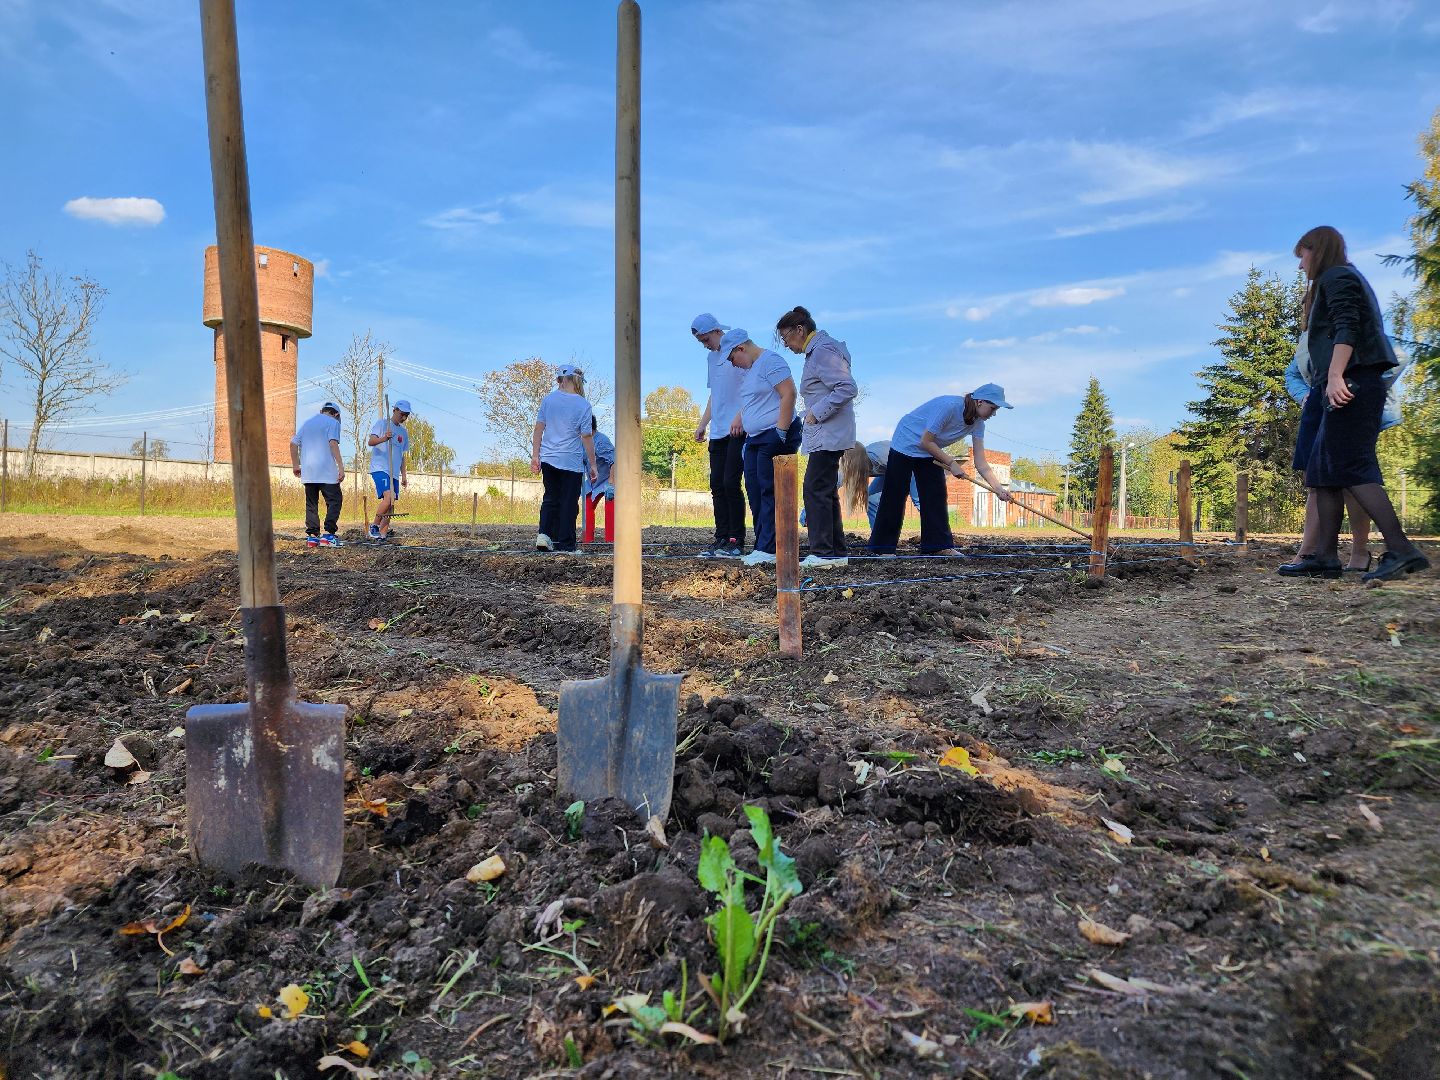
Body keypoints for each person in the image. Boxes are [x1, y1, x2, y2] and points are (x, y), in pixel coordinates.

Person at [1281, 225, 1429, 582]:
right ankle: (1325, 558)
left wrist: (1334, 376)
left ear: (1316, 250)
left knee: (1352, 467)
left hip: (1352, 382)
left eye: (1302, 256)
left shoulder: (1338, 276)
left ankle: (1402, 549)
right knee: (1323, 471)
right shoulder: (1337, 279)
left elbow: (1346, 327)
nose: (1300, 266)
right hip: (1344, 382)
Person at [1281, 332, 1406, 574]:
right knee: (1318, 479)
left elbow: (1398, 356)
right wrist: (1305, 395)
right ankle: (1310, 553)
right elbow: (1293, 373)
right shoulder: (1309, 336)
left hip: (1351, 406)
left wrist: (1364, 387)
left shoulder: (1349, 319)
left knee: (1352, 479)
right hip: (1321, 406)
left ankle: (1363, 552)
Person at [868, 386, 1014, 556]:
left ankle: (937, 546)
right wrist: (951, 463)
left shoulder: (978, 424)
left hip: (929, 449)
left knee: (935, 496)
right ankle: (882, 548)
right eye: (993, 408)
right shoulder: (949, 406)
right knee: (895, 494)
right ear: (980, 402)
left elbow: (981, 462)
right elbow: (925, 441)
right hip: (906, 443)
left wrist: (998, 489)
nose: (994, 413)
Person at [777, 306, 857, 569]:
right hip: (829, 432)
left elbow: (847, 387)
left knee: (814, 488)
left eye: (786, 337)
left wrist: (815, 413)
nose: (786, 344)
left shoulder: (822, 352)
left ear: (800, 330)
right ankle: (835, 552)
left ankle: (822, 552)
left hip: (828, 432)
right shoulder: (821, 350)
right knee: (825, 489)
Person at [717, 328, 801, 567]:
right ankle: (762, 545)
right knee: (754, 491)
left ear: (741, 348)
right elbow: (754, 402)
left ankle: (771, 547)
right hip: (754, 438)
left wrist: (781, 433)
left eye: (732, 358)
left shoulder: (770, 361)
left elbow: (788, 393)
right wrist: (741, 416)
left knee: (769, 491)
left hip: (774, 435)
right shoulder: (752, 370)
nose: (733, 364)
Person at [691, 313, 745, 558]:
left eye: (706, 339)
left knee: (730, 483)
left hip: (738, 429)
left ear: (717, 331)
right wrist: (703, 424)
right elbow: (715, 395)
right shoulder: (711, 359)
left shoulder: (738, 351)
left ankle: (736, 539)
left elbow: (751, 388)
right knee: (716, 485)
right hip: (719, 431)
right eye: (701, 342)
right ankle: (721, 537)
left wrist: (741, 416)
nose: (705, 344)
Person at [531, 364, 599, 554]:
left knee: (551, 497)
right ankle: (566, 545)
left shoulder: (548, 400)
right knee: (569, 502)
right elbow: (586, 436)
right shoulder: (583, 405)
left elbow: (539, 429)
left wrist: (535, 456)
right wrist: (593, 465)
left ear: (560, 380)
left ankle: (544, 536)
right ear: (578, 381)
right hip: (571, 460)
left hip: (549, 458)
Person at [289, 401, 345, 547]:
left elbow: (293, 443)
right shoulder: (333, 422)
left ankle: (313, 538)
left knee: (311, 504)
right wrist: (341, 467)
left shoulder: (307, 423)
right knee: (335, 500)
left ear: (322, 411)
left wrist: (296, 465)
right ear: (336, 414)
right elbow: (333, 443)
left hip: (309, 472)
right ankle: (329, 535)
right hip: (326, 471)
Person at [841, 439, 920, 529]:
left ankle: (936, 534)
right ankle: (878, 538)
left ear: (852, 461)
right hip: (890, 468)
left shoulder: (879, 459)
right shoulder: (856, 466)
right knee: (871, 499)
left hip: (909, 462)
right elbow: (836, 480)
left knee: (918, 500)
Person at [368, 399, 411, 542]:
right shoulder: (382, 424)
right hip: (380, 468)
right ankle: (374, 525)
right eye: (402, 414)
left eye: (407, 415)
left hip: (394, 472)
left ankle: (382, 535)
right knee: (388, 497)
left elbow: (402, 456)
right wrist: (384, 438)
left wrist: (404, 475)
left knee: (391, 504)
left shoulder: (403, 433)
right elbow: (371, 442)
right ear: (395, 410)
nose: (404, 418)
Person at [581, 417, 616, 542]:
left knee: (610, 503)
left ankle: (611, 540)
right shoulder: (582, 441)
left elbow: (614, 461)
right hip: (593, 482)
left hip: (608, 479)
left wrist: (612, 483)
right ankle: (587, 539)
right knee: (587, 505)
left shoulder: (601, 441)